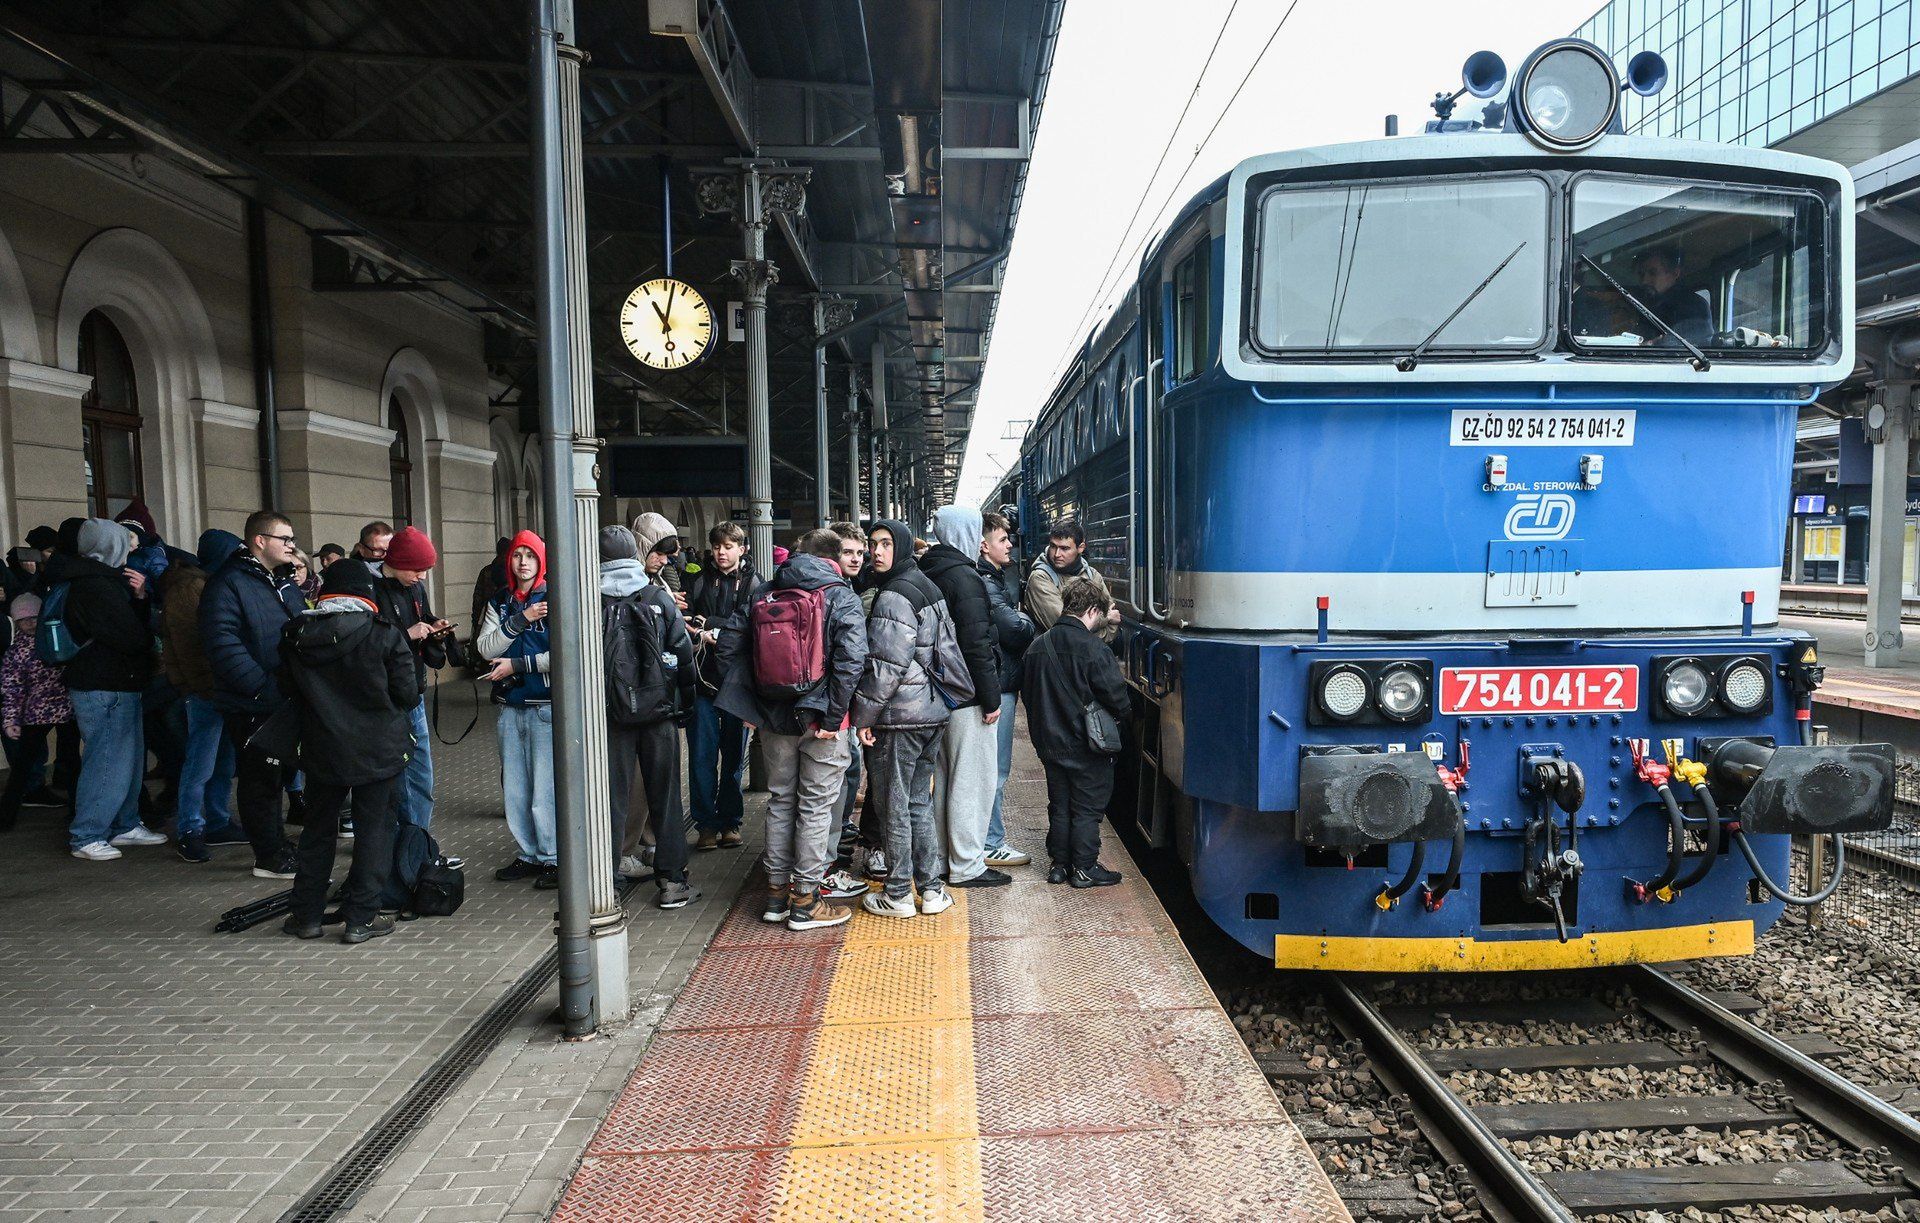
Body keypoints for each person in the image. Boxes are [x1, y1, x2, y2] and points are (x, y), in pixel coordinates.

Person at [715, 527, 868, 930]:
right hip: (821, 718)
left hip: (773, 716)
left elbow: (729, 645)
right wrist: (834, 719)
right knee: (816, 807)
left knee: (781, 800)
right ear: (833, 560)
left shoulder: (763, 591)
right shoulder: (840, 594)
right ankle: (807, 900)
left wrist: (750, 704)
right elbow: (852, 660)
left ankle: (776, 895)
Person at [278, 560, 419, 945]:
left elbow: (286, 689)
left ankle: (306, 915)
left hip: (322, 748)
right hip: (378, 750)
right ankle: (360, 918)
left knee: (318, 831)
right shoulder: (384, 635)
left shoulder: (296, 633)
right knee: (374, 832)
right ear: (365, 594)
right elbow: (408, 693)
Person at [852, 517, 957, 919]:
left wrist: (864, 716)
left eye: (884, 544)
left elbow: (886, 665)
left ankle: (897, 893)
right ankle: (930, 890)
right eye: (871, 544)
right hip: (931, 711)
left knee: (893, 803)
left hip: (899, 717)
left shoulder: (893, 594)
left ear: (899, 546)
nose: (875, 552)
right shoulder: (925, 585)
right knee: (916, 802)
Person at [49, 518, 162, 861]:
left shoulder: (99, 581)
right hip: (104, 683)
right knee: (108, 760)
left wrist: (139, 598)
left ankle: (124, 824)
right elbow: (129, 636)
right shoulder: (94, 585)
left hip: (115, 682)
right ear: (108, 545)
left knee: (125, 759)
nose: (131, 546)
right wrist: (143, 620)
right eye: (123, 540)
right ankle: (87, 834)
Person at [599, 526, 699, 908]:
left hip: (612, 717)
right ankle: (672, 882)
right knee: (666, 797)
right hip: (659, 714)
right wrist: (685, 705)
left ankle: (605, 881)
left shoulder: (590, 600)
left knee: (611, 799)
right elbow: (682, 652)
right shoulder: (657, 595)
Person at [200, 510, 301, 878]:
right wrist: (260, 687)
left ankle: (276, 844)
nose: (292, 546)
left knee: (277, 776)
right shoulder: (228, 582)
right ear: (260, 541)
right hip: (252, 700)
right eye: (285, 539)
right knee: (259, 779)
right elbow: (222, 641)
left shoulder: (281, 581)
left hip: (285, 695)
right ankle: (268, 857)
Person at [918, 506, 1009, 888]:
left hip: (938, 694)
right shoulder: (965, 577)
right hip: (968, 694)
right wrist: (991, 698)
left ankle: (942, 857)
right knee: (972, 781)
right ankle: (968, 864)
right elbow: (976, 644)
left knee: (945, 778)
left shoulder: (930, 570)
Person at [1023, 577, 1129, 888]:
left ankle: (1059, 865)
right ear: (1093, 610)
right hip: (1086, 745)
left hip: (1049, 743)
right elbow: (1117, 698)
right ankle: (1084, 867)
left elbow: (1027, 695)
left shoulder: (1037, 646)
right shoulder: (1094, 649)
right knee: (1086, 807)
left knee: (1059, 803)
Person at [161, 530, 248, 863]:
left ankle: (216, 820)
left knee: (222, 759)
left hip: (221, 689)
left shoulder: (209, 583)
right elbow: (189, 647)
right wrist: (203, 687)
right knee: (200, 762)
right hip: (206, 690)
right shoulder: (190, 588)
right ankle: (190, 829)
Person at [477, 530, 556, 888]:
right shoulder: (502, 600)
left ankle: (554, 856)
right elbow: (485, 646)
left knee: (545, 789)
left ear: (541, 560)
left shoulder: (554, 596)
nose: (522, 562)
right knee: (516, 788)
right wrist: (519, 620)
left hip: (546, 706)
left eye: (530, 555)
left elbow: (567, 652)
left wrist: (519, 665)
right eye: (516, 555)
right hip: (510, 704)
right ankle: (529, 854)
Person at [372, 525, 452, 831]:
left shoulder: (415, 587)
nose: (422, 577)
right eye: (418, 570)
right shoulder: (372, 588)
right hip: (386, 695)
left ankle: (419, 842)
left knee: (421, 773)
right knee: (398, 776)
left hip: (413, 690)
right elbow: (369, 643)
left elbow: (423, 619)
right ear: (398, 562)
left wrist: (435, 626)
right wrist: (409, 634)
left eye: (426, 570)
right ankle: (403, 843)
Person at [683, 521, 752, 851]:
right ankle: (706, 825)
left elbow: (750, 625)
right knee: (701, 756)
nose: (721, 552)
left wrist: (710, 625)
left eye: (728, 546)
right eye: (716, 547)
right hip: (702, 681)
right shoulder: (696, 581)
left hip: (738, 685)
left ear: (742, 548)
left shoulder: (755, 583)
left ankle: (731, 821)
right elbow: (683, 623)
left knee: (734, 757)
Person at [977, 510, 1037, 867]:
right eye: (1003, 539)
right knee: (995, 770)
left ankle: (987, 838)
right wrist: (1026, 620)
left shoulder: (991, 579)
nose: (1010, 544)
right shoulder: (987, 582)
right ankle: (990, 842)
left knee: (992, 768)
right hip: (999, 685)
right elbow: (1014, 628)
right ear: (985, 546)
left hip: (999, 682)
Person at [0, 593, 73, 831]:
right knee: (23, 766)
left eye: (34, 617)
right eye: (24, 620)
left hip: (62, 709)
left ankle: (78, 811)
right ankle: (7, 814)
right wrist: (11, 719)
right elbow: (12, 688)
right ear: (16, 622)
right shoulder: (18, 652)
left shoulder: (57, 638)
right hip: (39, 713)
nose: (30, 623)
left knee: (72, 763)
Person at [827, 523, 869, 862]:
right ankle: (831, 848)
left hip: (835, 699)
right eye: (848, 552)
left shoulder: (850, 587)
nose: (856, 558)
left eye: (859, 552)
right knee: (841, 769)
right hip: (835, 701)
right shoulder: (839, 593)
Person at [1025, 519, 1119, 642]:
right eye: (1053, 546)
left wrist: (1087, 635)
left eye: (1064, 548)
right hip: (1056, 658)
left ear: (1081, 547)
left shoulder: (1092, 575)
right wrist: (1106, 618)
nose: (1057, 554)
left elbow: (1113, 627)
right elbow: (1065, 629)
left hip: (1089, 657)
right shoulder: (1040, 577)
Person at [1632, 246, 1713, 347]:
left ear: (1674, 273)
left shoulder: (1693, 305)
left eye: (1652, 273)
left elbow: (1686, 345)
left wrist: (1652, 344)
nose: (1644, 281)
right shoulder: (1639, 303)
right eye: (1641, 274)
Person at [470, 537, 511, 648]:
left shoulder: (486, 570)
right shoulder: (512, 569)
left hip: (486, 613)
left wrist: (475, 620)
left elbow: (477, 599)